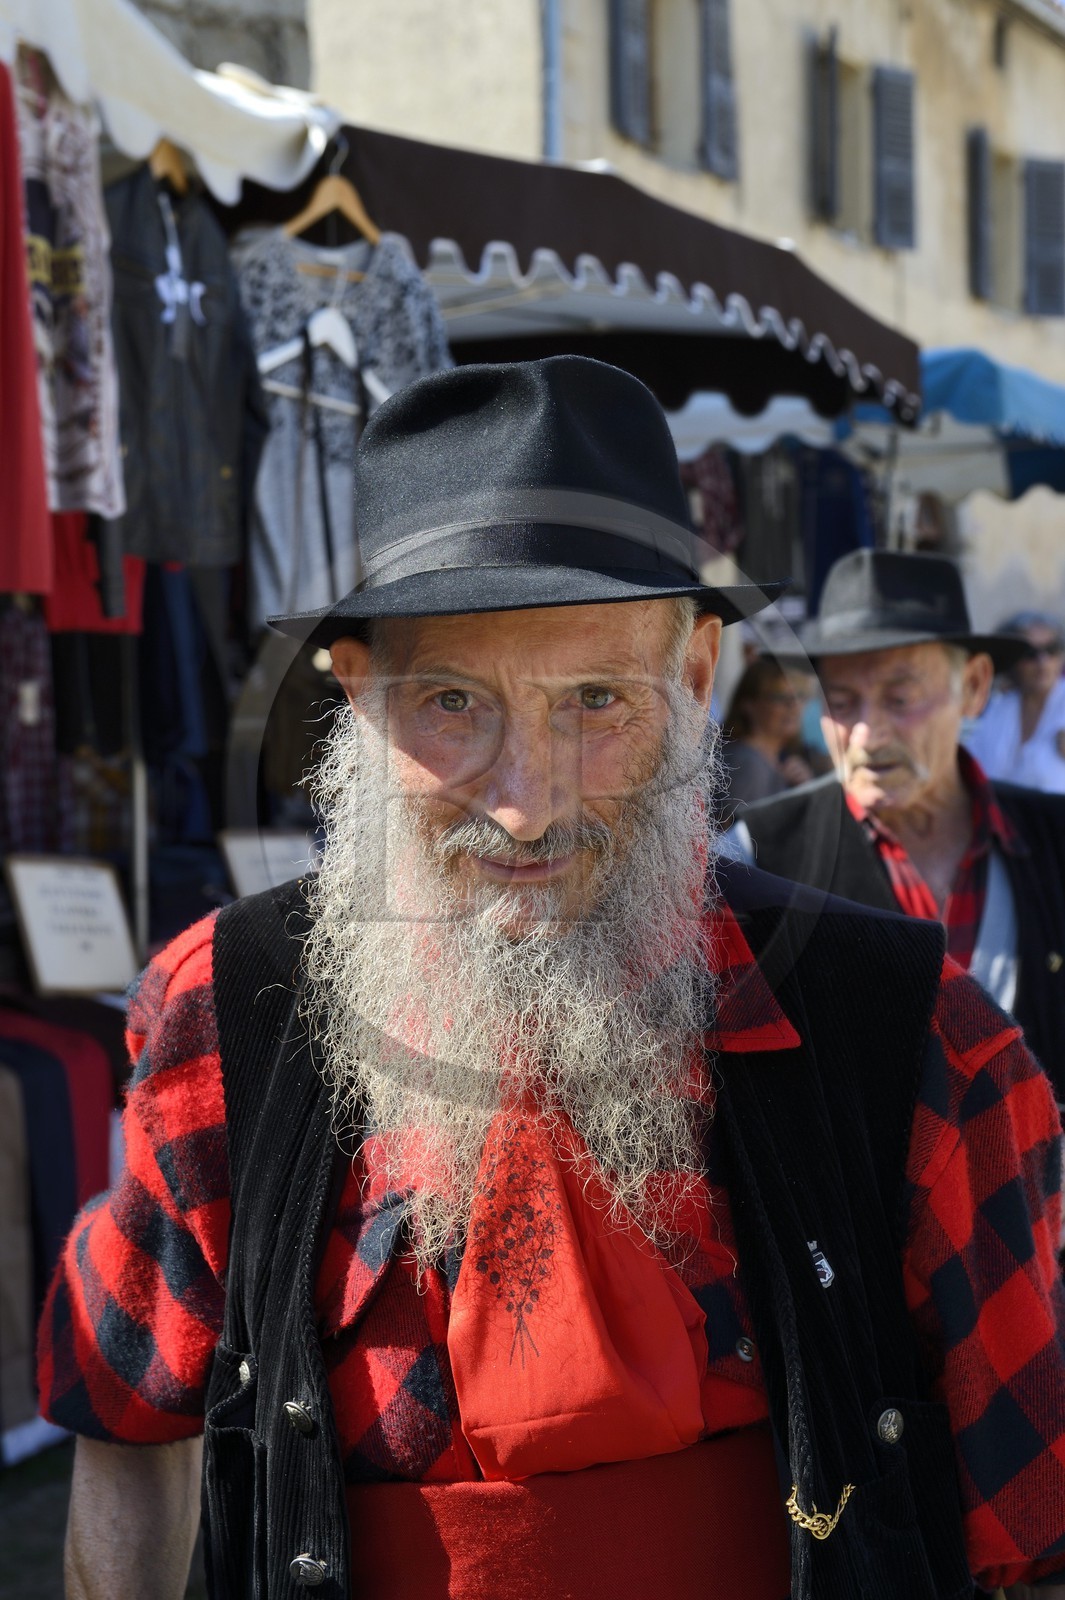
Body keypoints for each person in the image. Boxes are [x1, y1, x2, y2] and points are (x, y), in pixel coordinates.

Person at [39, 361, 1065, 1600]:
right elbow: (128, 1436)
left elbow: (1027, 1541)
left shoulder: (918, 1040)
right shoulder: (225, 1016)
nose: (527, 805)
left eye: (596, 699)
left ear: (694, 675)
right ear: (355, 695)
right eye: (452, 702)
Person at [736, 549, 1065, 1105]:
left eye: (900, 698)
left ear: (976, 686)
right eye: (841, 701)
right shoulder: (758, 856)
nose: (866, 733)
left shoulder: (1054, 839)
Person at [965, 609, 1065, 793]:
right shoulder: (997, 705)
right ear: (1012, 660)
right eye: (1030, 653)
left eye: (1052, 649)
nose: (1043, 662)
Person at [720, 657, 813, 809]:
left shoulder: (779, 760)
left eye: (799, 696)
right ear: (748, 704)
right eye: (779, 697)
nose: (793, 706)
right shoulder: (746, 764)